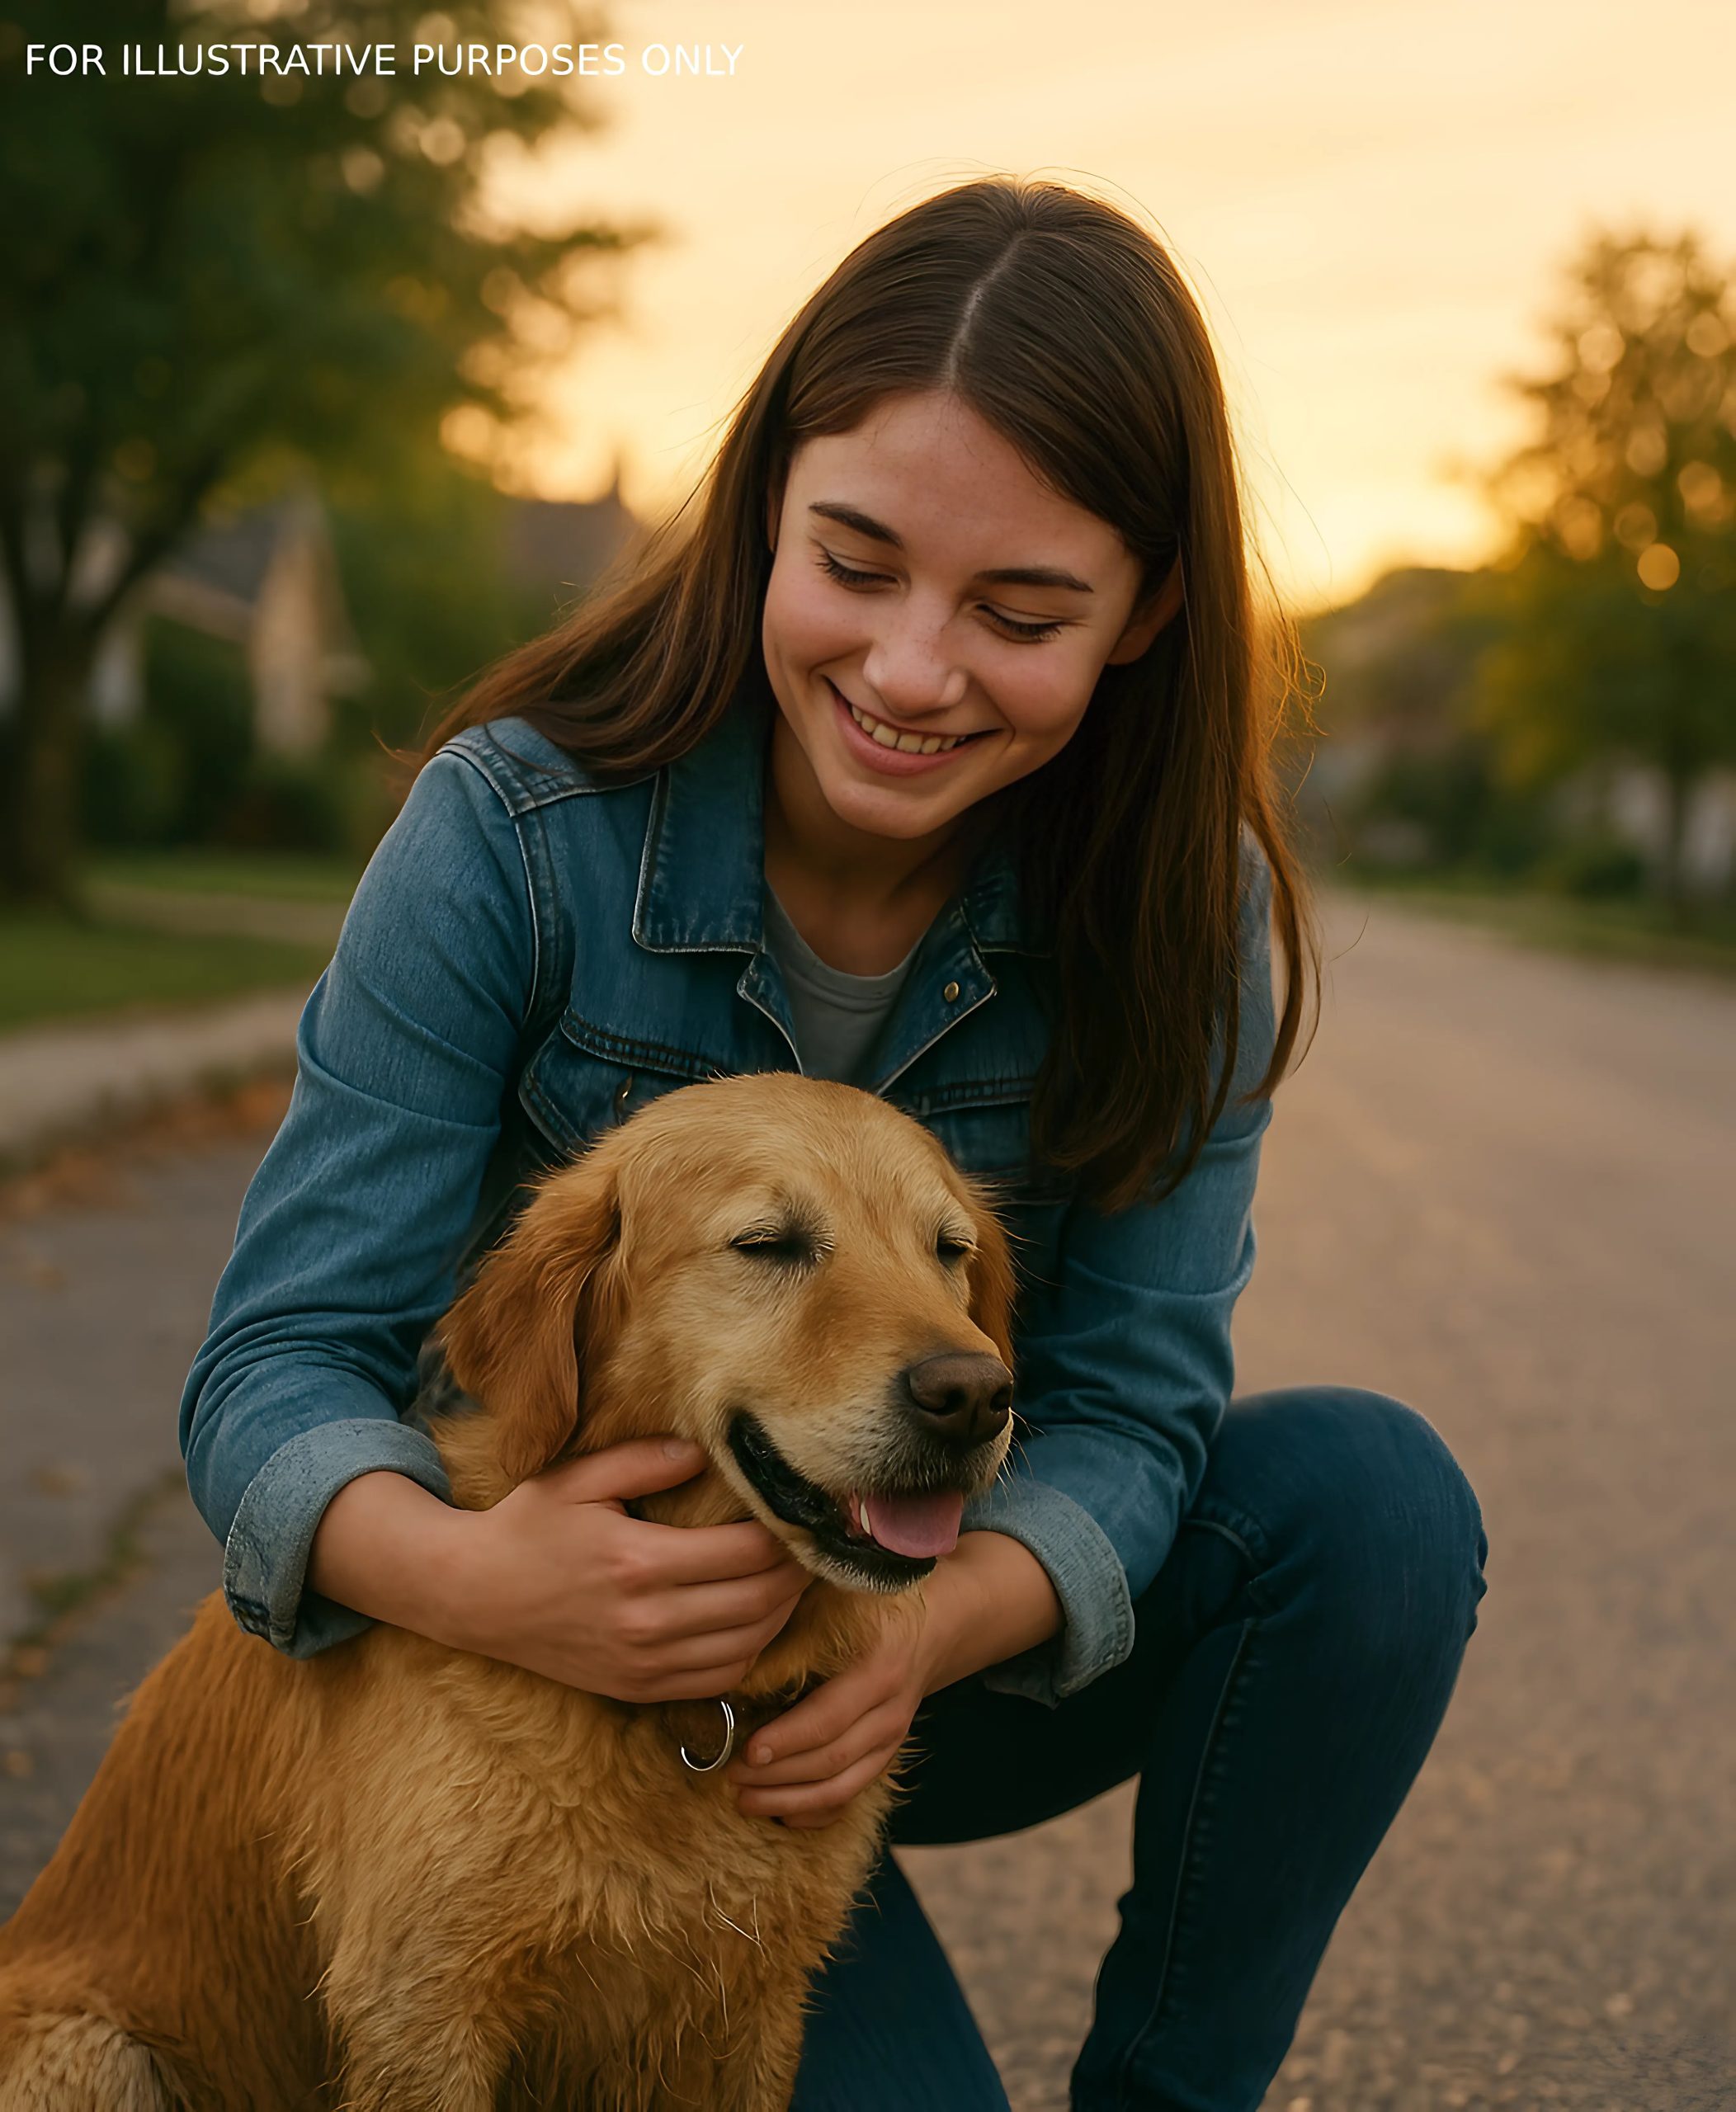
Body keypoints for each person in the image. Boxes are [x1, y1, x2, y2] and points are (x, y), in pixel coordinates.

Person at [181, 175, 1488, 2110]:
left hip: (913, 1637)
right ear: (761, 512)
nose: (907, 668)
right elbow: (270, 1366)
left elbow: (1127, 1409)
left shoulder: (1172, 907)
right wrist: (488, 1582)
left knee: (1371, 1507)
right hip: (553, 1676)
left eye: (1019, 609)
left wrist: (923, 1630)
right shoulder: (513, 834)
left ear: (1143, 616)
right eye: (854, 562)